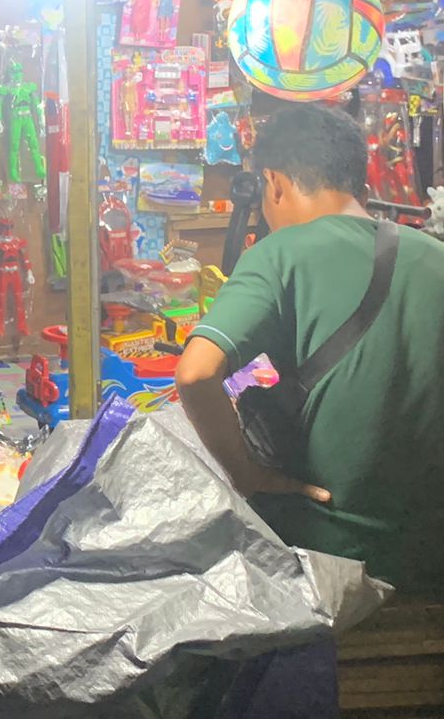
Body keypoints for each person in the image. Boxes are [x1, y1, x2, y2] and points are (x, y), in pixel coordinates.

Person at [176, 104, 444, 591]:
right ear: (359, 184)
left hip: (331, 557)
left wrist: (245, 472)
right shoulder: (436, 256)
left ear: (272, 183)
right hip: (430, 556)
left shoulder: (280, 253)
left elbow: (196, 373)